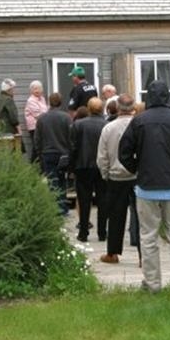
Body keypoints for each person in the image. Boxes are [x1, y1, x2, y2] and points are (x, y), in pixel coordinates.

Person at [119, 80, 170, 300]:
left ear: (148, 98)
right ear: (168, 96)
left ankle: (153, 284)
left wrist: (139, 170)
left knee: (148, 236)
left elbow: (123, 153)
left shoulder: (138, 121)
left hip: (147, 188)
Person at [96, 93, 137, 264]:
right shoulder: (139, 126)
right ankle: (144, 256)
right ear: (133, 108)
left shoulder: (108, 128)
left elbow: (102, 156)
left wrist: (105, 174)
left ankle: (112, 253)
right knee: (141, 216)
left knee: (115, 217)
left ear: (118, 108)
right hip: (137, 176)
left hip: (115, 176)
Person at [69, 97, 107, 241]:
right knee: (102, 200)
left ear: (89, 109)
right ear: (101, 109)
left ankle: (83, 232)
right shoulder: (106, 124)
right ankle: (102, 232)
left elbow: (72, 147)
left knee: (84, 200)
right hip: (101, 166)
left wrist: (71, 167)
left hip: (82, 165)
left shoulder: (78, 125)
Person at [34, 93, 72, 215]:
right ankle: (63, 208)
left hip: (47, 153)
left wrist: (40, 154)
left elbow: (37, 139)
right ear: (61, 102)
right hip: (63, 154)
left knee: (52, 181)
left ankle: (54, 208)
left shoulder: (41, 119)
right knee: (62, 181)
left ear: (49, 102)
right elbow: (71, 137)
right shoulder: (66, 118)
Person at [24, 80, 48, 161]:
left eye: (39, 88)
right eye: (35, 89)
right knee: (36, 146)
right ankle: (33, 165)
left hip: (42, 125)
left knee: (40, 146)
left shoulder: (42, 99)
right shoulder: (31, 100)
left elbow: (45, 111)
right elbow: (37, 115)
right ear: (31, 90)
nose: (37, 90)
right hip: (34, 126)